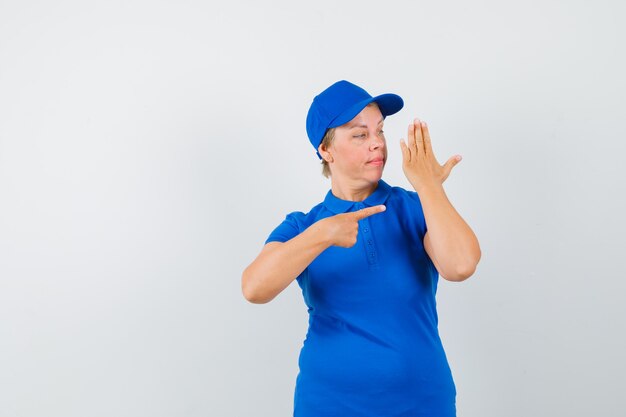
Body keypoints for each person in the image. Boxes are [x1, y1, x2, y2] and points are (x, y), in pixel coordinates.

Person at [241, 80, 481, 417]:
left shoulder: (416, 207)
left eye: (380, 131)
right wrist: (322, 235)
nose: (377, 144)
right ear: (326, 150)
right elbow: (254, 288)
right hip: (328, 405)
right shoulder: (302, 227)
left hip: (422, 403)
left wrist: (429, 187)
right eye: (359, 135)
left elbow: (461, 266)